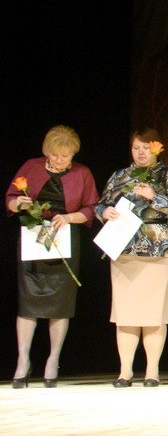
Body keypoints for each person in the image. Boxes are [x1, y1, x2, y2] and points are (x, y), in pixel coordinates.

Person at [5, 125, 99, 389]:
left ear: (73, 154)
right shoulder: (31, 167)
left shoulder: (82, 173)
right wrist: (20, 204)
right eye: (55, 155)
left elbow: (92, 208)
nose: (59, 160)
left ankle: (52, 360)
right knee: (28, 301)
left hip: (64, 241)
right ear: (47, 152)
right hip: (33, 240)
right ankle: (23, 361)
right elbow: (10, 198)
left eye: (65, 156)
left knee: (61, 303)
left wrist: (68, 217)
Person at [95, 128, 168, 387]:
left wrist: (154, 197)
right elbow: (100, 204)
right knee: (126, 313)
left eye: (146, 148)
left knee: (154, 313)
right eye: (136, 148)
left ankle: (152, 370)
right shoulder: (120, 175)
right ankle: (125, 371)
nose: (141, 153)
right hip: (124, 248)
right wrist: (105, 212)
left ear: (157, 148)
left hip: (159, 250)